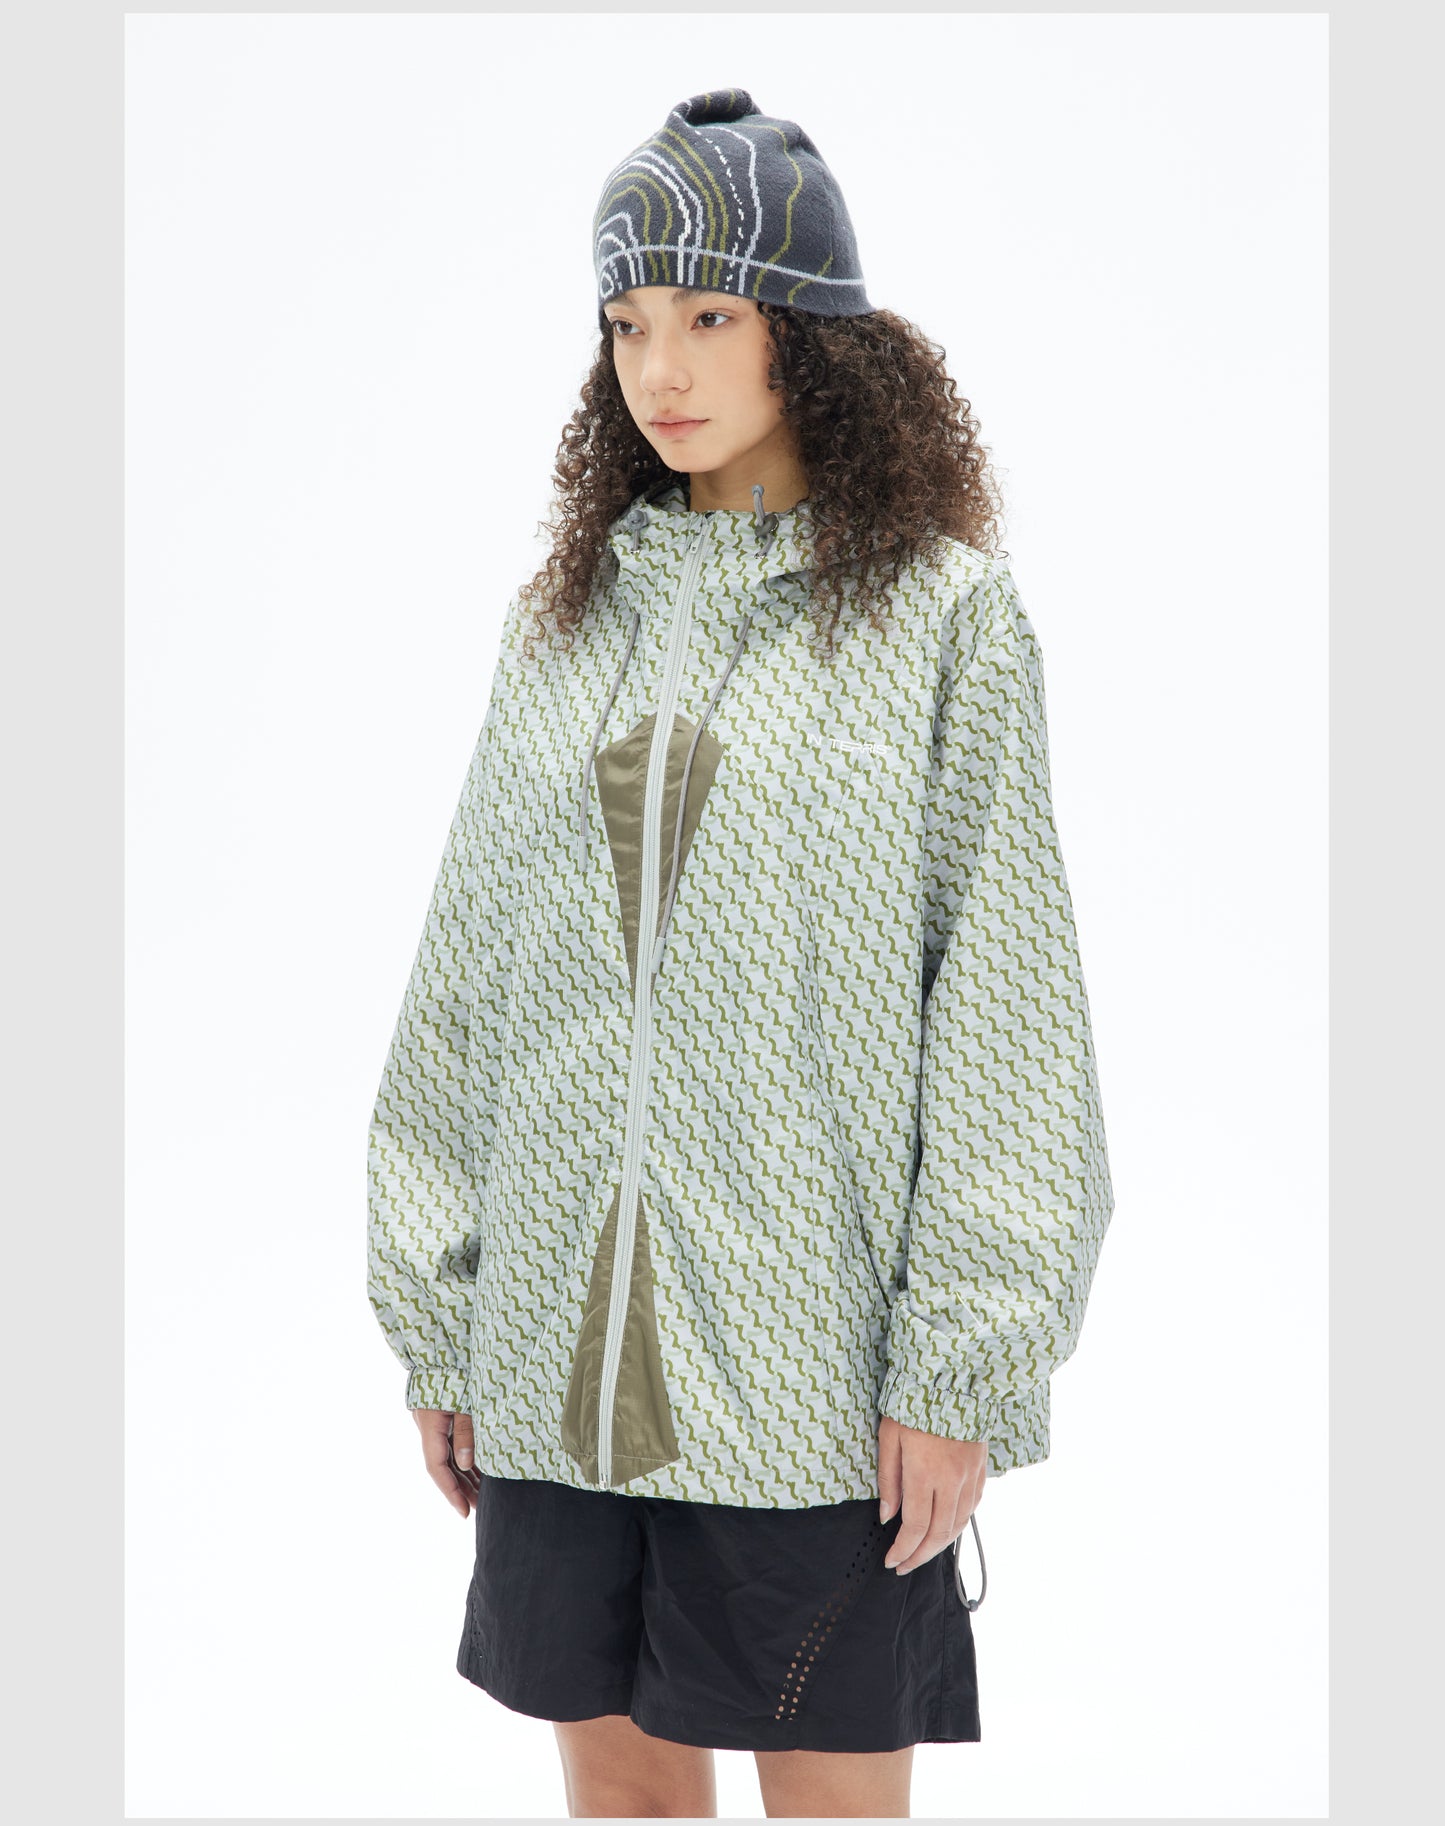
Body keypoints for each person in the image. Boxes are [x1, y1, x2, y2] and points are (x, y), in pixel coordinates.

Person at [366, 89, 1114, 1819]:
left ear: (810, 334)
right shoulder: (561, 621)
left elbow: (1005, 1016)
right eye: (628, 321)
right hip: (558, 1367)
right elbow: (463, 981)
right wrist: (443, 1318)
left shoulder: (939, 617)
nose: (662, 367)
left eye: (708, 315)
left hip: (810, 1384)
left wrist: (959, 1366)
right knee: (624, 1801)